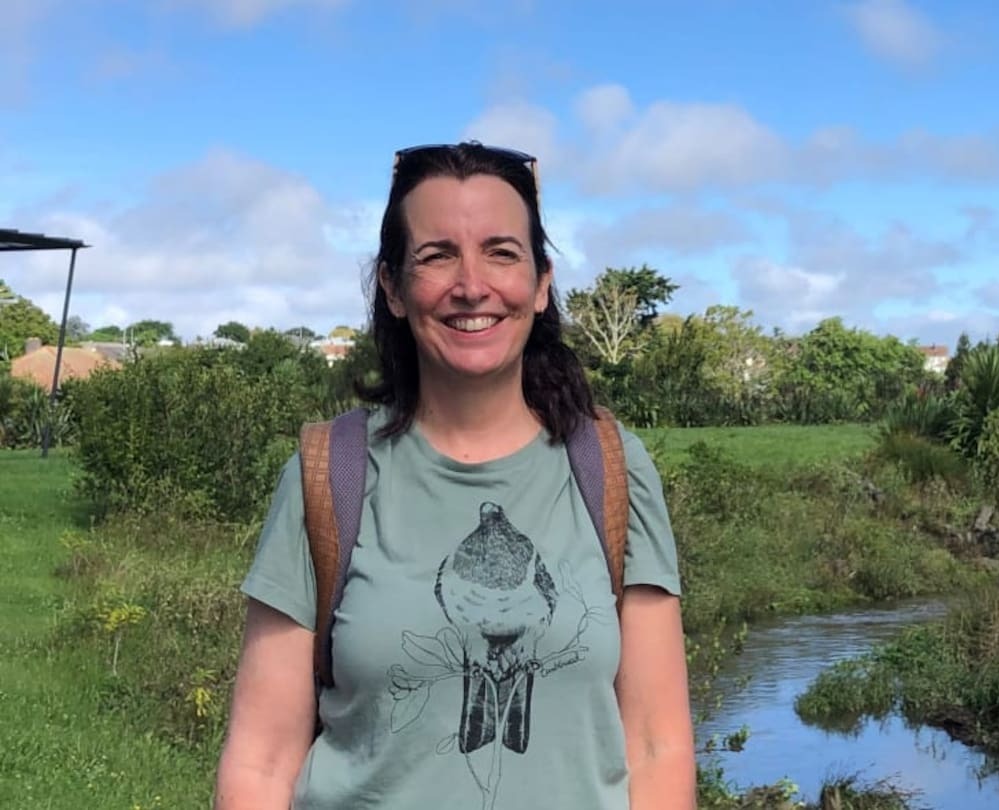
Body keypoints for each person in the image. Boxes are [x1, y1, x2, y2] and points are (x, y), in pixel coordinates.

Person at [214, 142, 695, 809]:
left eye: (501, 252)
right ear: (393, 287)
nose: (472, 285)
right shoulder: (329, 474)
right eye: (438, 254)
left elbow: (656, 745)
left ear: (541, 281)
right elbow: (261, 764)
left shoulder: (612, 468)